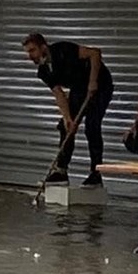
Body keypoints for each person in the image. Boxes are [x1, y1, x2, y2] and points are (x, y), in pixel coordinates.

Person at [22, 32, 114, 186]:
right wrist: (67, 118)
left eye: (32, 51)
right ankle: (61, 171)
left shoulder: (63, 50)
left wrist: (93, 82)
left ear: (43, 47)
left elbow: (95, 53)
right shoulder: (44, 71)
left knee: (92, 127)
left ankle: (96, 173)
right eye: (27, 52)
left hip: (100, 85)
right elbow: (59, 94)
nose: (30, 56)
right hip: (78, 89)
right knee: (65, 127)